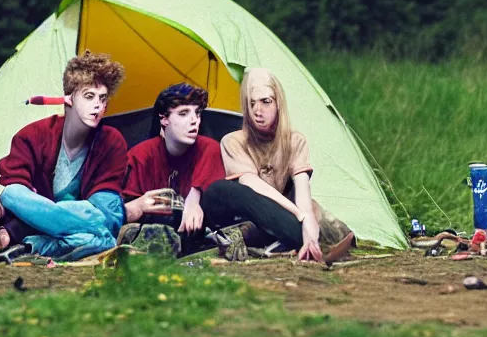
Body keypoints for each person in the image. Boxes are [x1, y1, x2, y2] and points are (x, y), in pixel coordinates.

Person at [0, 50, 128, 264]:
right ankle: (22, 234)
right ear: (69, 99)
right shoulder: (33, 135)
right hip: (58, 218)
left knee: (105, 219)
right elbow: (16, 188)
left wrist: (42, 214)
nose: (98, 106)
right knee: (11, 194)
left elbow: (105, 212)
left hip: (72, 220)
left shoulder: (112, 141)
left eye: (103, 99)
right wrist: (6, 205)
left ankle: (26, 244)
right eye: (89, 97)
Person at [201, 67, 355, 262]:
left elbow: (302, 187)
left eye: (266, 102)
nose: (258, 111)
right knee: (221, 189)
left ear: (278, 104)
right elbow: (251, 184)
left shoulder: (294, 141)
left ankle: (309, 242)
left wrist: (307, 216)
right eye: (251, 103)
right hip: (240, 213)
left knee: (315, 212)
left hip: (274, 217)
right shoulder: (233, 141)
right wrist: (299, 215)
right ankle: (299, 239)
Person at [120, 83, 225, 255]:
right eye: (183, 113)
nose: (194, 120)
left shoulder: (210, 149)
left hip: (197, 234)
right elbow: (122, 210)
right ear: (164, 119)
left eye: (197, 113)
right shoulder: (141, 156)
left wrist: (194, 197)